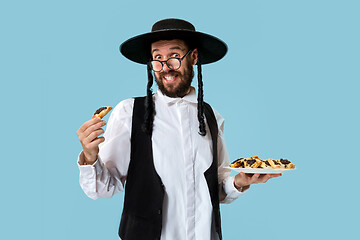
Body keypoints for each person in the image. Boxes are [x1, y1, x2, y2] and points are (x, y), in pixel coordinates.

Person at [76, 18, 281, 240]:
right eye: (157, 58)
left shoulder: (212, 117)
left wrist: (241, 181)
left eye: (174, 56)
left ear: (193, 57)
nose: (166, 67)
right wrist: (90, 156)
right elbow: (103, 188)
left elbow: (217, 187)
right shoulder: (129, 113)